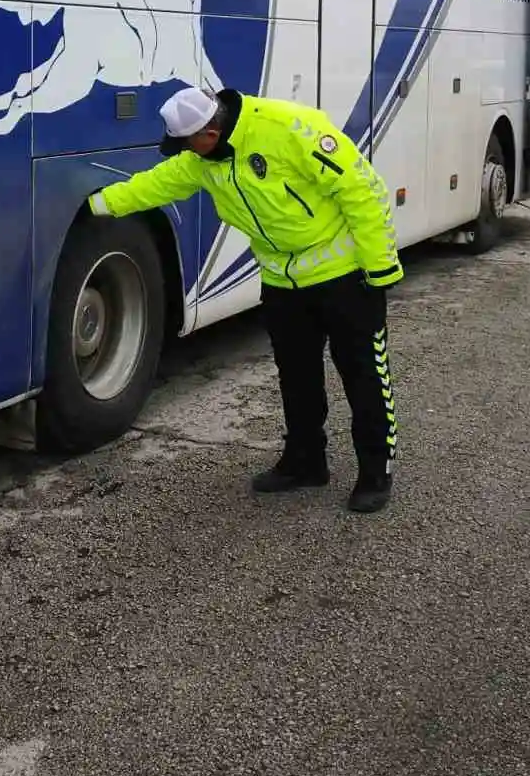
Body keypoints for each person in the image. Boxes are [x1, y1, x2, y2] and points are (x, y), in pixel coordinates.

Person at [87, 86, 402, 512]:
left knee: (363, 374)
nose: (185, 155)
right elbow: (157, 185)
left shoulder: (288, 128)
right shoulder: (204, 160)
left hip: (343, 277)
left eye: (187, 146)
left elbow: (361, 190)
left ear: (209, 133)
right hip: (282, 284)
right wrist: (98, 205)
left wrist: (379, 267)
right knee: (297, 377)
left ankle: (375, 471)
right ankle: (305, 461)